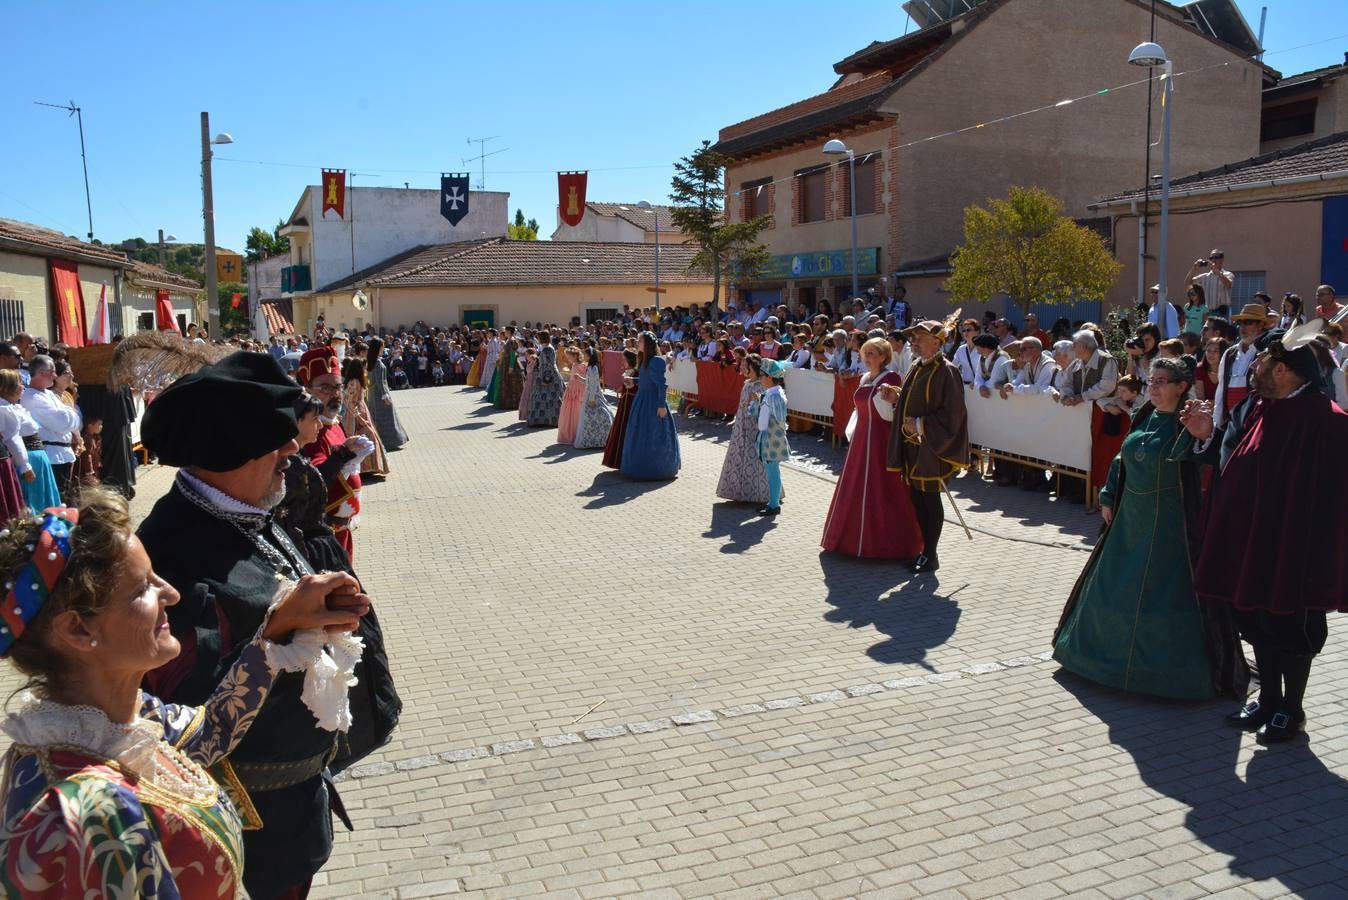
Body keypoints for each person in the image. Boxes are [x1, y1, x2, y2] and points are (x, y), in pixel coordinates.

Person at [0, 491, 369, 899]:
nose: (171, 593)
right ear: (79, 631)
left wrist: (278, 630)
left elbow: (209, 733)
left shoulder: (128, 722)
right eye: (143, 588)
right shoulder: (83, 814)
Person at [137, 352, 373, 899]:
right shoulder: (168, 554)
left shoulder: (253, 510)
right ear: (230, 448)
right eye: (277, 439)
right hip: (241, 831)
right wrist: (280, 624)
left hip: (294, 807)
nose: (293, 448)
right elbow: (183, 715)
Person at [1181, 323, 1348, 742]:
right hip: (1250, 541)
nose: (1253, 365)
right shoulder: (1259, 407)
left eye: (1264, 360)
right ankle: (1268, 699)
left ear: (1283, 370)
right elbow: (1232, 455)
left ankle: (1291, 710)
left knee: (1292, 630)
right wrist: (1207, 437)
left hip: (1297, 550)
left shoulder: (1329, 422)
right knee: (1255, 622)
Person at [1054, 358, 1247, 700]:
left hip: (1170, 526)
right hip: (1130, 521)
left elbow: (1207, 457)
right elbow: (1122, 457)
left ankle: (1161, 676)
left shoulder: (1188, 421)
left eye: (1162, 381)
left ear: (1180, 386)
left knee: (1162, 597)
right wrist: (1110, 493)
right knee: (1112, 587)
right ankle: (1096, 662)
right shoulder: (1145, 414)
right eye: (1152, 380)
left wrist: (1203, 435)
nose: (1154, 386)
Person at [877, 315, 970, 574]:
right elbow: (912, 398)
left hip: (932, 447)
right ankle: (924, 552)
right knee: (917, 499)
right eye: (914, 338)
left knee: (929, 499)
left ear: (937, 343)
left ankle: (931, 555)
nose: (914, 342)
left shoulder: (947, 370)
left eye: (920, 338)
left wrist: (919, 424)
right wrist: (896, 395)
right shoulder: (917, 366)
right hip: (913, 446)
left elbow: (953, 414)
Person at [822, 337, 923, 559]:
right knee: (855, 486)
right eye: (865, 354)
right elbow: (858, 412)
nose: (867, 358)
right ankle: (848, 540)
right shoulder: (865, 378)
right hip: (861, 440)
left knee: (884, 488)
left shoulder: (892, 378)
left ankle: (886, 544)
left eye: (872, 354)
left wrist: (888, 397)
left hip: (881, 440)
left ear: (884, 356)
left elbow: (891, 415)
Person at [1059, 330, 1122, 501]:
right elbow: (1066, 383)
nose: (1072, 347)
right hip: (1081, 417)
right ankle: (1077, 490)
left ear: (1085, 347)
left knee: (1097, 454)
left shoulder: (1106, 360)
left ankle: (1095, 495)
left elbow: (1106, 387)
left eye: (1075, 345)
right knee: (1078, 450)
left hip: (1102, 416)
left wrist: (1081, 397)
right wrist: (1067, 395)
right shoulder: (1076, 363)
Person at [620, 332, 680, 480]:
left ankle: (656, 468)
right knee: (640, 434)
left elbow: (661, 385)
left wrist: (661, 405)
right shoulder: (645, 361)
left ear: (647, 344)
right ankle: (640, 466)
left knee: (654, 434)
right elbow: (646, 380)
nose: (637, 343)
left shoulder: (656, 361)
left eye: (640, 341)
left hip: (653, 402)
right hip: (642, 399)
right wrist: (633, 380)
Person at [21, 355, 80, 502]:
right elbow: (62, 422)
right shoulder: (31, 397)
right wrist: (71, 414)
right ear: (42, 373)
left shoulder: (48, 394)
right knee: (55, 501)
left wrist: (70, 415)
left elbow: (74, 419)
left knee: (64, 499)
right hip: (52, 456)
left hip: (62, 454)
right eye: (52, 371)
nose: (55, 375)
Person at [0, 370, 60, 513]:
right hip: (25, 458)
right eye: (20, 383)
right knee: (31, 502)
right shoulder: (5, 410)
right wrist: (25, 467)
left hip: (34, 457)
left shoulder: (12, 407)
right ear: (10, 387)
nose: (23, 387)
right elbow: (13, 439)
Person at [715, 352, 770, 506]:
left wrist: (757, 400)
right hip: (741, 424)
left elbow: (763, 407)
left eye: (747, 366)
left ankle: (758, 491)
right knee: (739, 454)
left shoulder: (760, 385)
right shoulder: (747, 384)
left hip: (753, 425)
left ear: (754, 367)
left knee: (755, 455)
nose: (743, 368)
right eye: (743, 365)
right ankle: (737, 490)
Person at [1212, 303, 1275, 429]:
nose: (1242, 327)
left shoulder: (1267, 354)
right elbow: (1221, 390)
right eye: (1240, 322)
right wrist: (1217, 424)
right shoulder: (1229, 354)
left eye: (1247, 322)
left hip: (1256, 424)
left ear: (1261, 325)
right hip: (1230, 425)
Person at [749, 357, 789, 515]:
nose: (760, 379)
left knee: (772, 471)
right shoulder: (772, 394)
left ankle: (774, 504)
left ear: (770, 377)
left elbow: (764, 422)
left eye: (762, 376)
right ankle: (772, 500)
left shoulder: (773, 396)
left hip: (771, 438)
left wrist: (758, 405)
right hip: (771, 436)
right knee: (772, 471)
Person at [341, 359, 390, 479]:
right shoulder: (354, 382)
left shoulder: (357, 380)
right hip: (354, 415)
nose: (365, 369)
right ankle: (364, 469)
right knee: (366, 437)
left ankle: (368, 468)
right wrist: (359, 418)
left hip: (361, 411)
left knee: (370, 436)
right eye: (364, 367)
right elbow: (349, 402)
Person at [365, 338, 408, 451]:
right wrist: (385, 395)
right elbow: (380, 381)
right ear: (378, 348)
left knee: (376, 418)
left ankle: (379, 441)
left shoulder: (370, 361)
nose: (383, 348)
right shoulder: (377, 363)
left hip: (372, 393)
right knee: (386, 418)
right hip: (380, 394)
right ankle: (389, 442)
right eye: (382, 346)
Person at [602, 349, 639, 470]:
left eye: (623, 359)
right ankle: (618, 460)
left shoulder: (637, 373)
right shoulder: (627, 372)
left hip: (631, 405)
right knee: (620, 429)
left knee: (628, 430)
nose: (622, 361)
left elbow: (637, 388)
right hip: (624, 404)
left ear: (629, 360)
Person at [573, 347, 614, 450]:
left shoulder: (593, 368)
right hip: (590, 395)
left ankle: (599, 440)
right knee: (591, 419)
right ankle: (594, 440)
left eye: (585, 354)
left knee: (600, 416)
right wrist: (580, 378)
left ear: (590, 356)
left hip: (592, 396)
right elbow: (589, 382)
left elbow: (594, 384)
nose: (584, 356)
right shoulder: (590, 367)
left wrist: (591, 399)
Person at [526, 335, 565, 428]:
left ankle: (551, 420)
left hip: (548, 376)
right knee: (545, 397)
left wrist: (546, 378)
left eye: (539, 338)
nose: (537, 339)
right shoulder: (547, 348)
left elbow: (549, 364)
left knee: (550, 398)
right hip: (545, 374)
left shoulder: (548, 349)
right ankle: (544, 419)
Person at [556, 346, 587, 444]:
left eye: (569, 357)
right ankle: (570, 434)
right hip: (571, 389)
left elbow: (585, 379)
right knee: (569, 411)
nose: (568, 359)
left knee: (577, 411)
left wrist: (579, 378)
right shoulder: (574, 365)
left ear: (575, 355)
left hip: (579, 391)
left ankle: (576, 434)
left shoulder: (582, 365)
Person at [496, 332, 523, 410]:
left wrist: (511, 367)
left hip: (511, 365)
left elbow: (513, 354)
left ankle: (513, 403)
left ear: (509, 332)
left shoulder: (512, 341)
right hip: (506, 364)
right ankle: (507, 403)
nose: (505, 333)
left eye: (506, 332)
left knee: (512, 383)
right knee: (507, 383)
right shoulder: (509, 340)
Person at [951, 319, 980, 385]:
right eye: (963, 330)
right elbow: (953, 367)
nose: (965, 333)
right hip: (965, 387)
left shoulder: (983, 348)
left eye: (968, 330)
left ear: (977, 331)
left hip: (979, 388)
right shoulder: (961, 349)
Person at [518, 346, 538, 423]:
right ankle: (526, 414)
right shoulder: (529, 361)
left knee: (530, 396)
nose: (526, 356)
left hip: (532, 381)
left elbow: (535, 372)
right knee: (526, 396)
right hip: (528, 381)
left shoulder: (534, 361)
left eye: (527, 354)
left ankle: (530, 413)